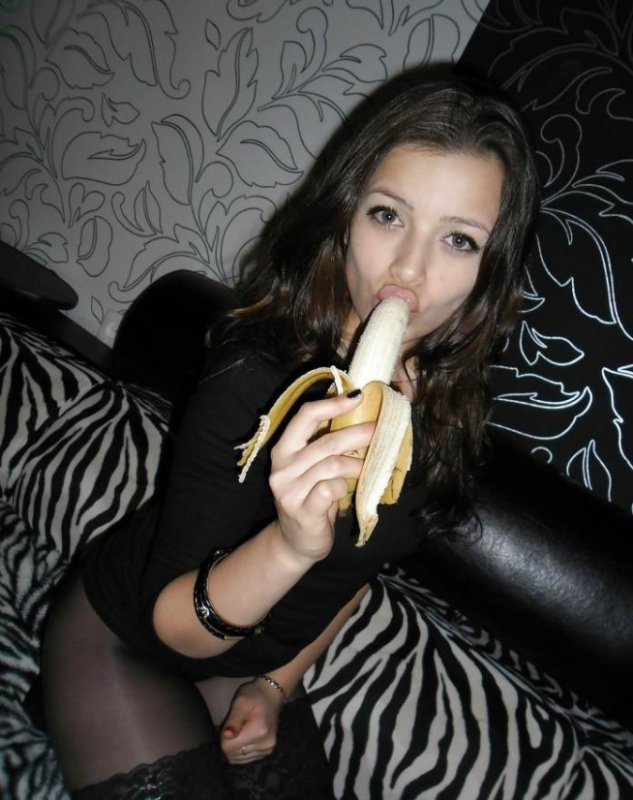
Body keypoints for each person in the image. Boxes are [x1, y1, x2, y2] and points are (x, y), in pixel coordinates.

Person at [40, 66, 540, 799]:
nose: (408, 269)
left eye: (459, 240)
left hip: (249, 662)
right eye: (387, 215)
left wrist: (275, 684)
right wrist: (289, 544)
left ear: (492, 271)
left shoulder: (442, 414)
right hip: (128, 636)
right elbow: (173, 626)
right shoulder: (254, 372)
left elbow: (353, 575)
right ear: (344, 215)